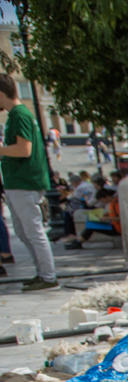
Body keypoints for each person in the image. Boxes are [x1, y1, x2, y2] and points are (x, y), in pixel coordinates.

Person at [0, 74, 57, 290]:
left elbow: (25, 149)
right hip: (18, 182)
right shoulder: (17, 115)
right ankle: (42, 273)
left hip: (25, 182)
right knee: (24, 232)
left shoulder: (19, 115)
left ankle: (48, 276)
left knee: (33, 231)